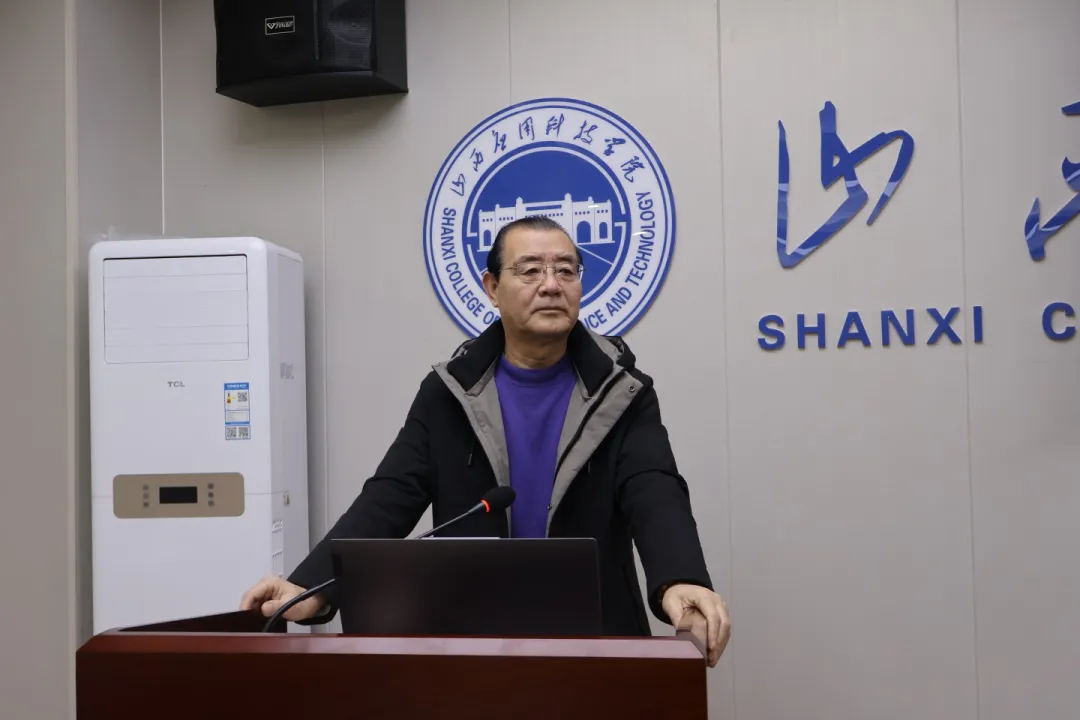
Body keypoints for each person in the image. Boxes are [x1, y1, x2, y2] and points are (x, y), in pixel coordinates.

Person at [241, 215, 731, 666]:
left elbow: (655, 490)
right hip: (472, 643)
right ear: (492, 288)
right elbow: (389, 495)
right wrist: (310, 585)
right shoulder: (448, 393)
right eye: (530, 270)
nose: (551, 285)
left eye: (566, 270)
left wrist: (680, 578)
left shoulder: (621, 391)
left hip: (595, 639)